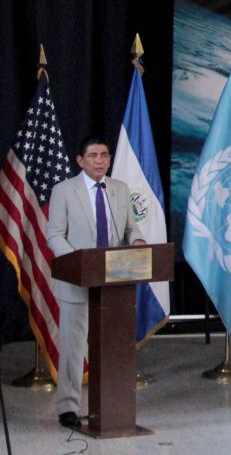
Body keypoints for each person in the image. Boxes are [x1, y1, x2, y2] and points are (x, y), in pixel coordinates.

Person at [47, 137, 147, 428]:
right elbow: (55, 235)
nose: (99, 160)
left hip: (114, 281)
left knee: (113, 345)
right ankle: (68, 407)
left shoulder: (119, 189)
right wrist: (78, 262)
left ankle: (112, 405)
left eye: (104, 155)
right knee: (74, 347)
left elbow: (130, 228)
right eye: (93, 155)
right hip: (77, 280)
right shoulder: (64, 191)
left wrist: (137, 241)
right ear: (80, 160)